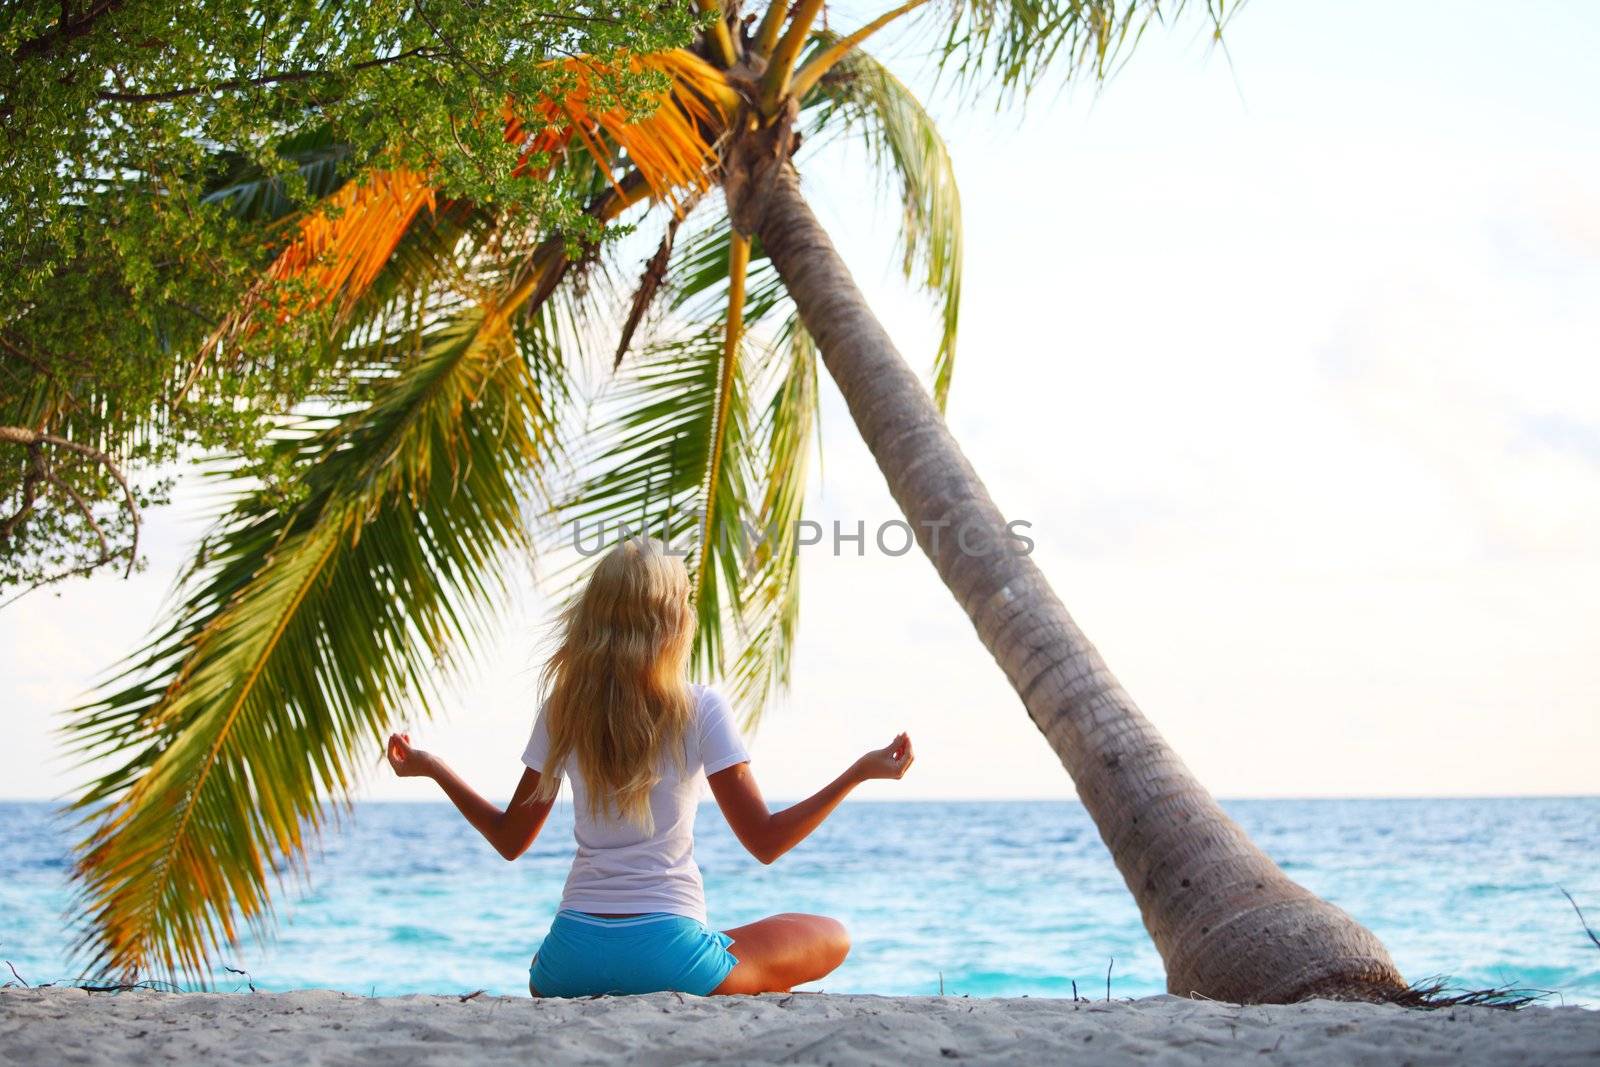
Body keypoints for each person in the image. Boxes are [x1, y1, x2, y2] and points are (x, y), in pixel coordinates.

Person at [384, 537, 915, 997]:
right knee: (829, 932)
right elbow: (765, 841)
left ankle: (630, 953)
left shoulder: (563, 708)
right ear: (671, 621)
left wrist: (434, 768)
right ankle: (661, 950)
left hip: (565, 962)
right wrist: (858, 773)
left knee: (669, 944)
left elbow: (509, 838)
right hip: (672, 957)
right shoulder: (700, 707)